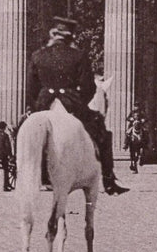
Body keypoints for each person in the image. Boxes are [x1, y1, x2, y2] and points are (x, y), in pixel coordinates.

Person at [27, 15, 128, 195]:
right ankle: (108, 179)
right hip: (71, 103)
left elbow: (31, 88)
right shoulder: (79, 56)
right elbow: (89, 87)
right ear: (70, 37)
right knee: (102, 134)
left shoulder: (37, 56)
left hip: (43, 103)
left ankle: (25, 174)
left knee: (22, 130)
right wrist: (80, 102)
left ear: (53, 34)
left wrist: (38, 104)